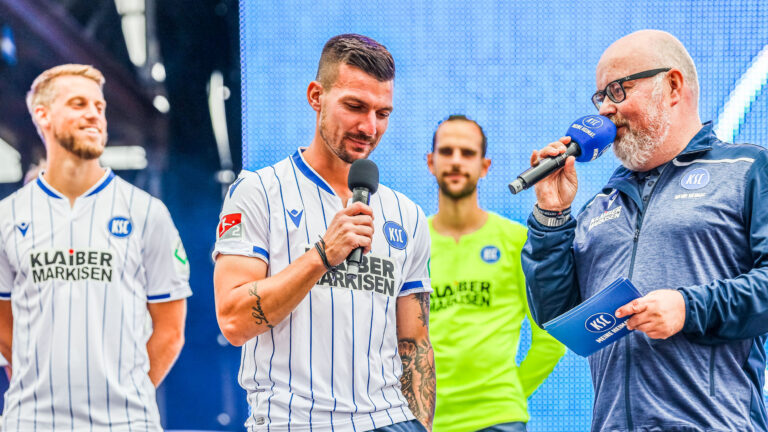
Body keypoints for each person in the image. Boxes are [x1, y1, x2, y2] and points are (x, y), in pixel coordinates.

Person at [522, 29, 768, 431]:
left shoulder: (747, 168)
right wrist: (552, 215)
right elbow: (556, 315)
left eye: (618, 90)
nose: (605, 110)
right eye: (600, 97)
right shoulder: (601, 204)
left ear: (672, 86)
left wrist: (689, 308)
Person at [213, 34, 434, 431]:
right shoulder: (258, 192)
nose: (369, 127)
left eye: (382, 113)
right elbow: (233, 321)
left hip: (391, 420)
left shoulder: (407, 214)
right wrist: (322, 255)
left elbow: (415, 344)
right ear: (316, 96)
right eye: (355, 106)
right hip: (294, 421)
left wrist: (420, 425)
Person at [0, 64, 190, 430]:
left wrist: (125, 398)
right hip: (32, 422)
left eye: (99, 107)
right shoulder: (7, 217)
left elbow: (170, 330)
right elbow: (4, 328)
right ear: (43, 115)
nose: (94, 115)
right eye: (78, 104)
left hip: (126, 423)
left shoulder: (147, 213)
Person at [426, 115, 564, 432]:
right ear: (431, 162)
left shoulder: (515, 241)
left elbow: (551, 341)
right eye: (446, 152)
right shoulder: (411, 243)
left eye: (467, 153)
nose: (456, 161)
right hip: (427, 422)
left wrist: (508, 397)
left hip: (498, 420)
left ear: (484, 166)